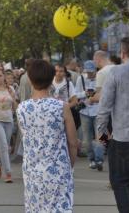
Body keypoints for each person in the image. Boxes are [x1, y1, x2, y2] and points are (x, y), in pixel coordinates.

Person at [17, 59, 77, 212]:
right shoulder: (61, 107)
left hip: (32, 171)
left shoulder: (22, 108)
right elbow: (72, 142)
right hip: (58, 170)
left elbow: (26, 138)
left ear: (30, 79)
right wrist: (69, 165)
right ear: (51, 80)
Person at [97, 37, 129, 213]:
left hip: (122, 138)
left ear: (123, 52)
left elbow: (104, 107)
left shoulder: (116, 73)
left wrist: (102, 135)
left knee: (120, 182)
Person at [75, 60, 104, 171]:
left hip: (98, 111)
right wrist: (85, 93)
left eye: (92, 72)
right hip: (85, 112)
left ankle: (99, 159)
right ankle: (91, 159)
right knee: (87, 139)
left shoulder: (100, 78)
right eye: (88, 72)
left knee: (100, 136)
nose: (90, 74)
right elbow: (75, 94)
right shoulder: (80, 79)